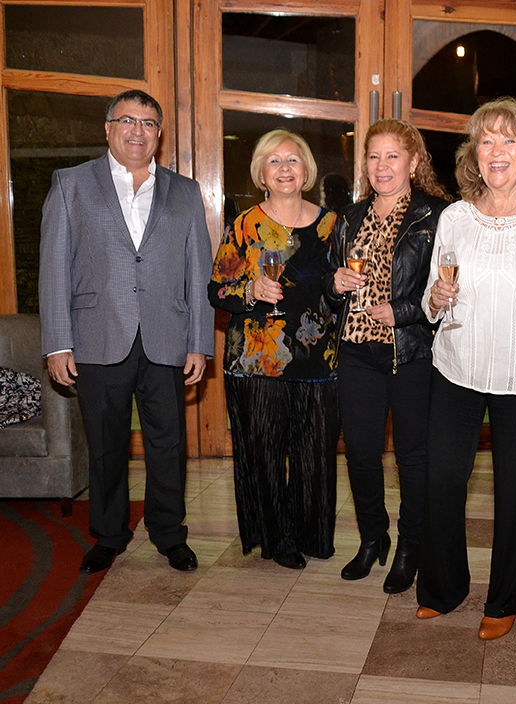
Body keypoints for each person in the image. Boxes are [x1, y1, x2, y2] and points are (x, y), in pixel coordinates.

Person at [39, 90, 215, 574]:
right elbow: (53, 268)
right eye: (128, 121)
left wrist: (199, 342)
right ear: (108, 127)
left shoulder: (184, 191)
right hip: (96, 336)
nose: (138, 131)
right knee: (106, 444)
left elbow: (198, 271)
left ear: (159, 134)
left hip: (167, 337)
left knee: (168, 445)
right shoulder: (71, 184)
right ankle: (109, 534)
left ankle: (169, 533)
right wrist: (57, 343)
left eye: (149, 123)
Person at [415, 98, 516, 640]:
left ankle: (507, 598)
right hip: (456, 365)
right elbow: (433, 299)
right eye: (486, 140)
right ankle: (443, 588)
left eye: (509, 140)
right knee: (441, 479)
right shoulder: (455, 217)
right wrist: (436, 298)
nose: (497, 151)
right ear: (473, 154)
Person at [324, 119, 450, 594]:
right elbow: (329, 283)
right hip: (356, 350)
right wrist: (334, 284)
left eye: (392, 156)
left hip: (411, 351)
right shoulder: (349, 217)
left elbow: (448, 286)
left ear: (413, 162)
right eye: (373, 156)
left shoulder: (436, 216)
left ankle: (410, 547)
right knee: (360, 454)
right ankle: (373, 538)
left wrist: (403, 311)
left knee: (412, 458)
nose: (382, 166)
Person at [209, 130, 340, 570]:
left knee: (315, 454)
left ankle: (311, 534)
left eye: (293, 160)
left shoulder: (331, 225)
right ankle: (278, 539)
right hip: (256, 360)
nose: (285, 168)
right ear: (262, 174)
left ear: (306, 171)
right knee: (263, 453)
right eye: (274, 161)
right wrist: (250, 291)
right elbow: (217, 290)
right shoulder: (244, 225)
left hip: (318, 359)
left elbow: (341, 288)